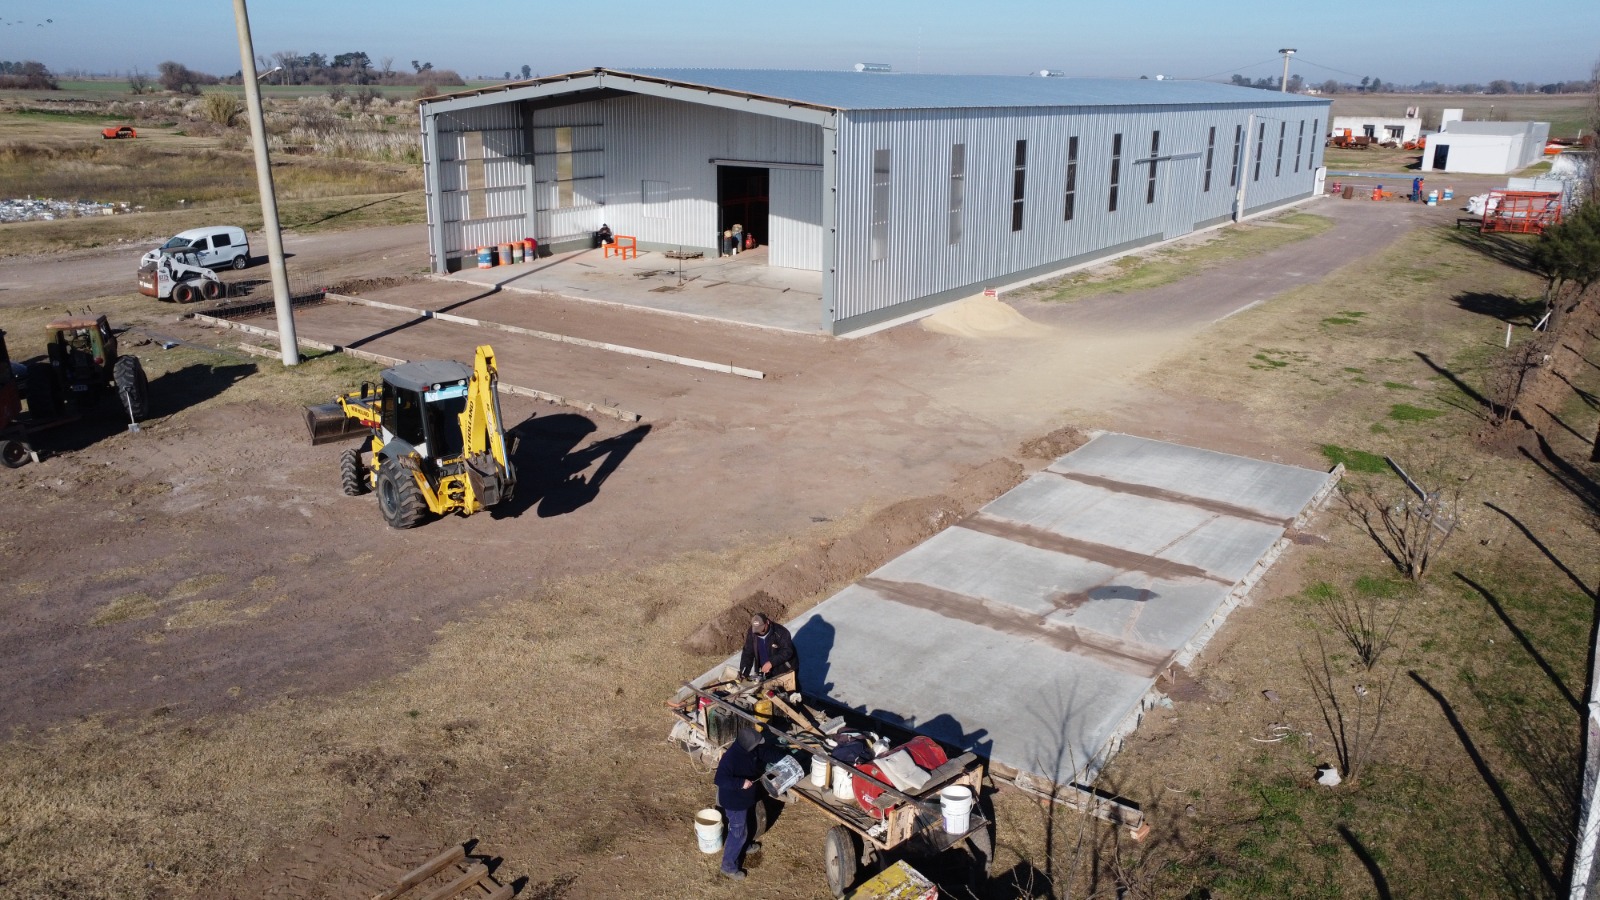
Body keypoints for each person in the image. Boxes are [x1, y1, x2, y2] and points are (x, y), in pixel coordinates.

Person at [714, 726, 769, 880]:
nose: (757, 747)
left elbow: (762, 752)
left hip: (744, 798)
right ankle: (728, 867)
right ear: (748, 744)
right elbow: (719, 779)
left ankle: (745, 844)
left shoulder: (747, 749)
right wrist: (741, 783)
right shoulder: (730, 758)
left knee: (746, 825)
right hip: (734, 801)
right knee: (738, 833)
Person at [739, 613, 797, 690]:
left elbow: (787, 651)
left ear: (767, 622)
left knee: (789, 693)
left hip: (784, 669)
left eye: (762, 629)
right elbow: (748, 652)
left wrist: (771, 663)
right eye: (757, 630)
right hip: (766, 671)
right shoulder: (752, 633)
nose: (759, 632)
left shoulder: (780, 632)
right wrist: (744, 671)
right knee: (769, 693)